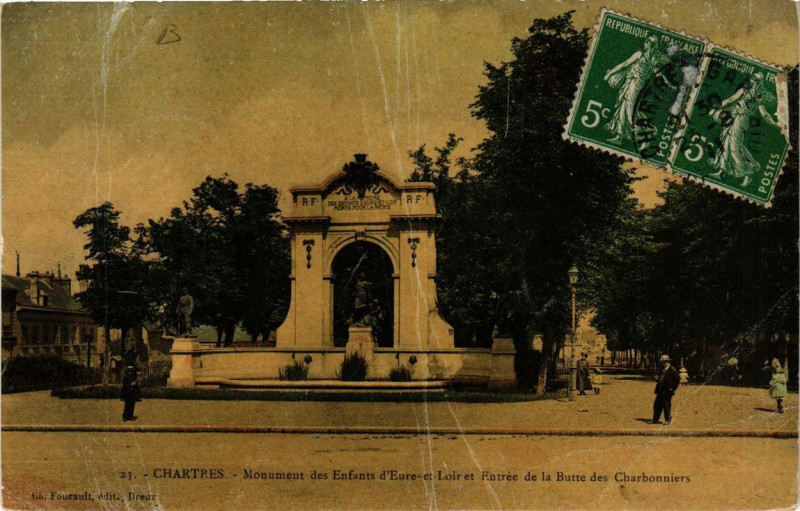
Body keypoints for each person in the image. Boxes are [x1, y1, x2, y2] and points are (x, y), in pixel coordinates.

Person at [708, 72, 781, 187]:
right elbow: (731, 99)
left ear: (759, 82)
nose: (752, 80)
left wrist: (775, 124)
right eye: (752, 78)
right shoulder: (745, 89)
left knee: (734, 146)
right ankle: (721, 172)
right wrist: (715, 108)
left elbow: (764, 114)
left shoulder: (759, 96)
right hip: (733, 116)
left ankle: (747, 173)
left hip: (741, 119)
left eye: (755, 79)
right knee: (725, 142)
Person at [603, 35, 671, 145]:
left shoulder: (644, 56)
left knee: (629, 110)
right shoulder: (649, 57)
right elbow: (658, 73)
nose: (644, 43)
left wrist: (610, 74)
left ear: (651, 44)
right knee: (623, 106)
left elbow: (657, 73)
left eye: (647, 42)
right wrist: (667, 83)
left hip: (635, 84)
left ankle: (646, 131)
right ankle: (619, 136)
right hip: (632, 83)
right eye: (645, 41)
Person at [653, 354, 680, 425]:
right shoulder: (662, 369)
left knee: (666, 405)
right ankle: (655, 419)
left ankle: (668, 419)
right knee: (657, 404)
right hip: (660, 389)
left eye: (663, 362)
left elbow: (677, 380)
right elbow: (660, 377)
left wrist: (673, 388)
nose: (662, 363)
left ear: (666, 362)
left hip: (667, 390)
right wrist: (657, 378)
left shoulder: (672, 370)